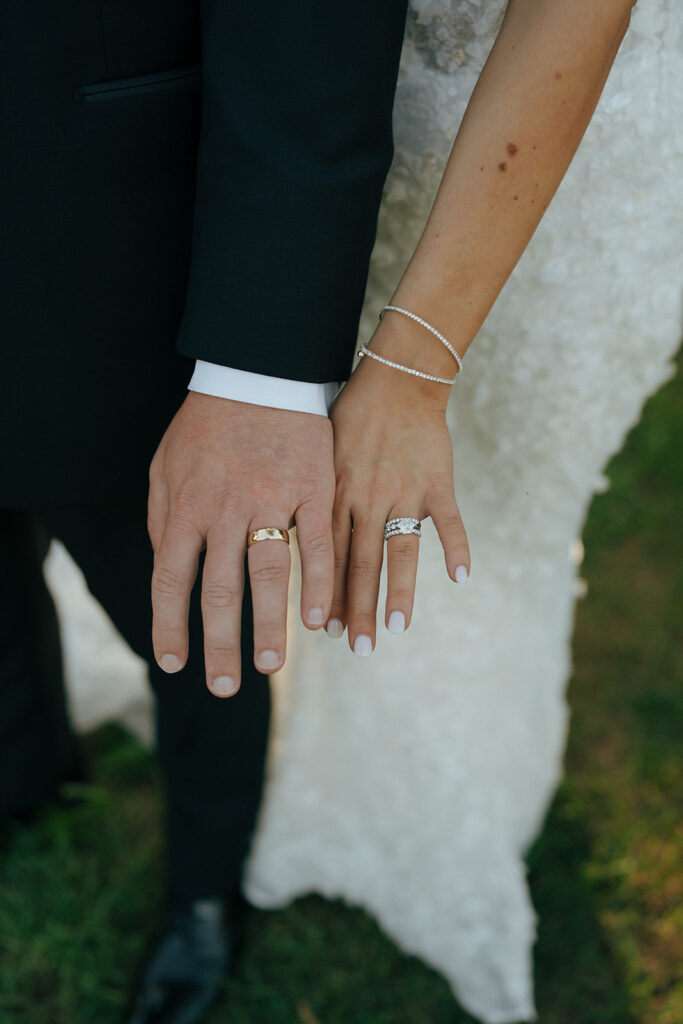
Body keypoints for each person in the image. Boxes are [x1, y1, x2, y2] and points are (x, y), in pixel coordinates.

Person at [239, 1, 683, 1022]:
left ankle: (452, 785)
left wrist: (410, 368)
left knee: (499, 514)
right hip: (341, 101)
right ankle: (289, 716)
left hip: (579, 151)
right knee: (328, 467)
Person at [0, 3, 410, 1023]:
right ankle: (24, 771)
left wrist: (258, 373)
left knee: (192, 615)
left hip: (99, 235)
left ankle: (203, 887)